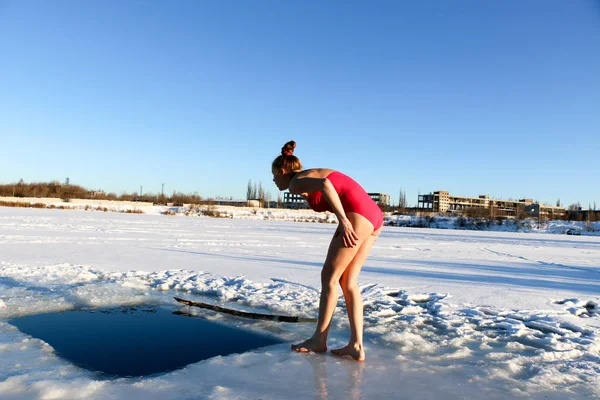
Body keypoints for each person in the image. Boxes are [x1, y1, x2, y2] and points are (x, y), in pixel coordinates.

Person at [272, 140, 383, 362]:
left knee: (329, 278)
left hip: (357, 215)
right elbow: (333, 186)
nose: (274, 180)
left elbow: (326, 185)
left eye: (274, 175)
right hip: (374, 216)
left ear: (283, 171)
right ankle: (356, 345)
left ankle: (319, 340)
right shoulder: (306, 177)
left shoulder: (296, 182)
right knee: (348, 281)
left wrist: (344, 221)